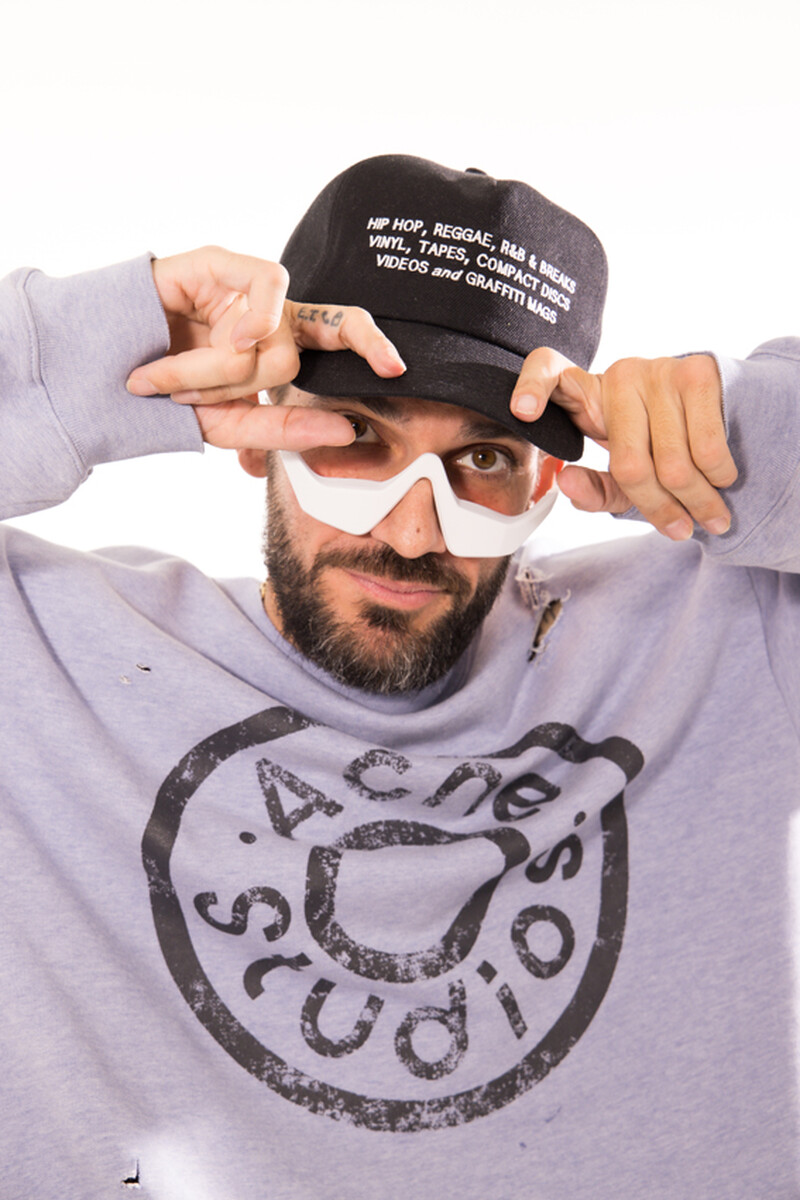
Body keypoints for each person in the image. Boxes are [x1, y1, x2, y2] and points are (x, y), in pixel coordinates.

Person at [1, 155, 797, 1200]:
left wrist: (754, 441)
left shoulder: (726, 636)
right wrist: (84, 356)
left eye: (484, 459)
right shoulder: (43, 658)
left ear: (551, 477)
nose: (413, 532)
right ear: (260, 431)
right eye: (359, 437)